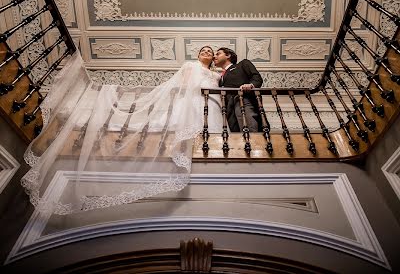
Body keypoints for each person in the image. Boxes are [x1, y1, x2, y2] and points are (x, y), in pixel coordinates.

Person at [21, 46, 222, 214]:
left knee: (211, 122)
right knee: (187, 122)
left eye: (209, 51)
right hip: (191, 99)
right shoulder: (190, 65)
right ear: (198, 55)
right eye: (202, 50)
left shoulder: (216, 74)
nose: (205, 52)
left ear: (213, 57)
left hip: (210, 102)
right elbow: (185, 83)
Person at [214, 47, 263, 132]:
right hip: (228, 110)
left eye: (218, 54)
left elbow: (257, 78)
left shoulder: (243, 64)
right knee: (235, 137)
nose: (214, 57)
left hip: (243, 101)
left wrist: (251, 85)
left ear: (228, 55)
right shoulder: (220, 76)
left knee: (249, 130)